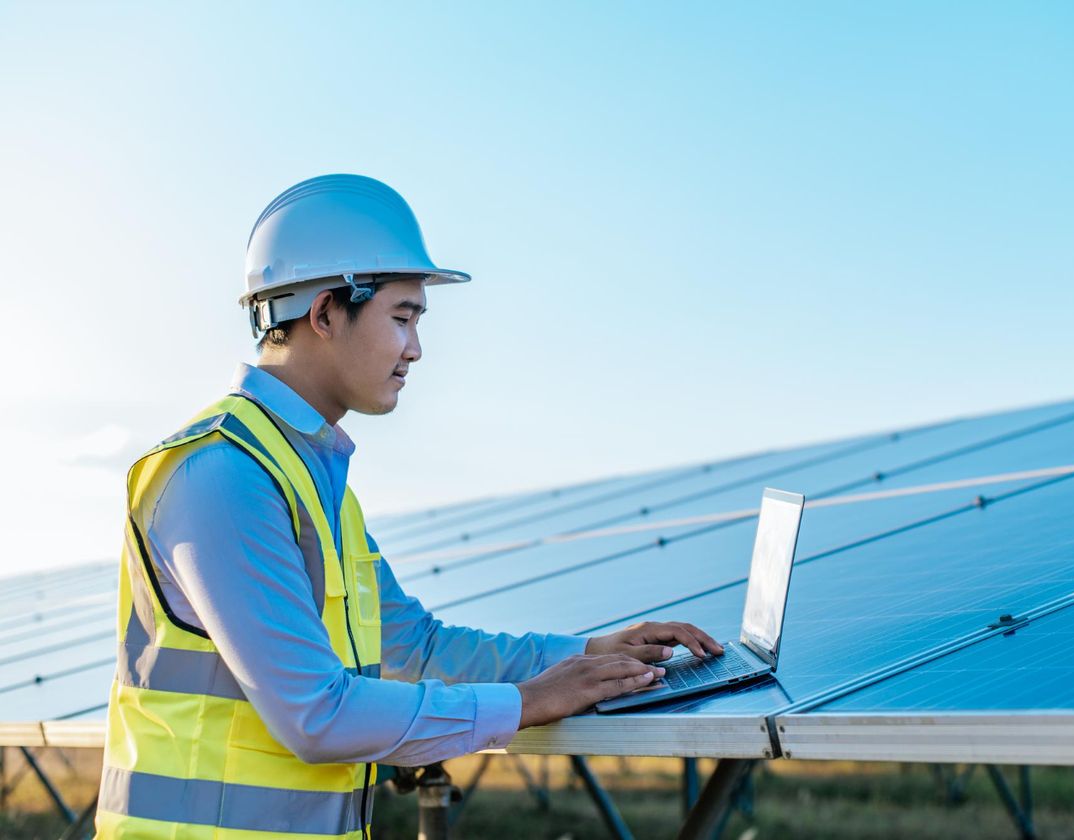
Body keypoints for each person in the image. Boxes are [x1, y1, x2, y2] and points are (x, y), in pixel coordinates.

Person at [95, 174, 724, 839]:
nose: (416, 350)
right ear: (326, 313)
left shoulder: (310, 480)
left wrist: (590, 652)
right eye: (402, 317)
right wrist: (526, 702)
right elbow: (317, 715)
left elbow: (413, 648)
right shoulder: (223, 474)